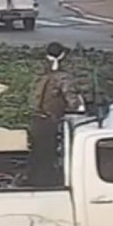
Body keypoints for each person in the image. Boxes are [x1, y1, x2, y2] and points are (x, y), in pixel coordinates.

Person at [25, 41, 83, 187]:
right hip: (51, 121)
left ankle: (33, 181)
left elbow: (33, 98)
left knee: (37, 154)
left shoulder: (40, 74)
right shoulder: (63, 77)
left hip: (37, 119)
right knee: (49, 155)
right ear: (63, 56)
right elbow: (72, 101)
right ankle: (48, 183)